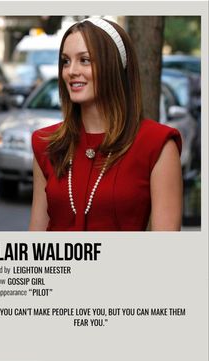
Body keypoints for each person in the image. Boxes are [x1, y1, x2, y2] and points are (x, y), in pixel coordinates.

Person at [29, 17, 183, 232]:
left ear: (113, 66)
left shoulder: (158, 144)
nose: (71, 70)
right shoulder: (46, 143)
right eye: (65, 61)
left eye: (84, 60)